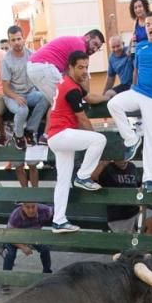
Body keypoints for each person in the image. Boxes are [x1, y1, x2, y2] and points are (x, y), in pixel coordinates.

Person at [109, 12, 152, 194]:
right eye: (147, 25)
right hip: (138, 92)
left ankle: (149, 178)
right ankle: (132, 138)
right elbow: (136, 71)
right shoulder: (141, 46)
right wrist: (133, 87)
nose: (151, 27)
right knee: (113, 104)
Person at [46, 50, 106, 233]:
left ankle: (59, 221)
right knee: (100, 139)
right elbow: (83, 120)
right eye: (80, 67)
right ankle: (83, 176)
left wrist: (107, 96)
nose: (84, 71)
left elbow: (87, 96)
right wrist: (94, 139)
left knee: (63, 181)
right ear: (70, 67)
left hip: (56, 136)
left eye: (86, 67)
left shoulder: (67, 82)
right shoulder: (71, 88)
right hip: (61, 134)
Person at [26, 30, 106, 121]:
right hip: (43, 67)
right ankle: (60, 132)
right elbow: (83, 76)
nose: (95, 49)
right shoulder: (80, 46)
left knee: (57, 103)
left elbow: (74, 76)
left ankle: (48, 133)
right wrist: (86, 97)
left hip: (37, 66)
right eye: (94, 44)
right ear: (87, 37)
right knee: (65, 103)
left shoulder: (75, 43)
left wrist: (84, 96)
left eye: (98, 48)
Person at [2, 25, 48, 150]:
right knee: (23, 110)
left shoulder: (32, 55)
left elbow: (40, 75)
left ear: (23, 39)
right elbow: (5, 88)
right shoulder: (6, 60)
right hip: (12, 95)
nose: (16, 42)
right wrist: (16, 97)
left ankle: (30, 130)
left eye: (18, 39)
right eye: (13, 40)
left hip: (30, 93)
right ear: (9, 41)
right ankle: (19, 136)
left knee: (45, 98)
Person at [95, 159, 152, 234]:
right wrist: (103, 164)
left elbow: (139, 187)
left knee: (151, 221)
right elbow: (93, 177)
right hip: (118, 216)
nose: (123, 160)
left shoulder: (132, 166)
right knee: (128, 242)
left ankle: (146, 245)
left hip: (135, 211)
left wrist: (142, 205)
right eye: (120, 157)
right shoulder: (107, 168)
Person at [2, 202, 53, 291]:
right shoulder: (15, 215)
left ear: (37, 205)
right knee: (10, 254)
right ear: (22, 207)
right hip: (15, 236)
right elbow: (9, 235)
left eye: (33, 207)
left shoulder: (45, 210)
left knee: (45, 248)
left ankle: (47, 273)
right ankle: (6, 279)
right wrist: (23, 247)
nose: (31, 210)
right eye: (27, 207)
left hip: (34, 235)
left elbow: (58, 210)